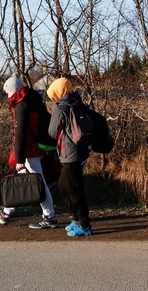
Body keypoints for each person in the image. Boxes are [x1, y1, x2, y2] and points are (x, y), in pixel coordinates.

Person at [0, 74, 57, 229]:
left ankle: (49, 216)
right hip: (37, 147)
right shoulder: (34, 100)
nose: (7, 95)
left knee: (38, 183)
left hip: (29, 150)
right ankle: (6, 211)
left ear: (14, 90)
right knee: (24, 180)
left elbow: (20, 134)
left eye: (8, 92)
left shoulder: (22, 106)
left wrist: (19, 159)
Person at [46, 77, 94, 236]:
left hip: (69, 154)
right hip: (81, 152)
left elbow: (52, 133)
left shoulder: (60, 108)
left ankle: (84, 224)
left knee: (72, 190)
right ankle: (77, 219)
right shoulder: (78, 102)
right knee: (67, 186)